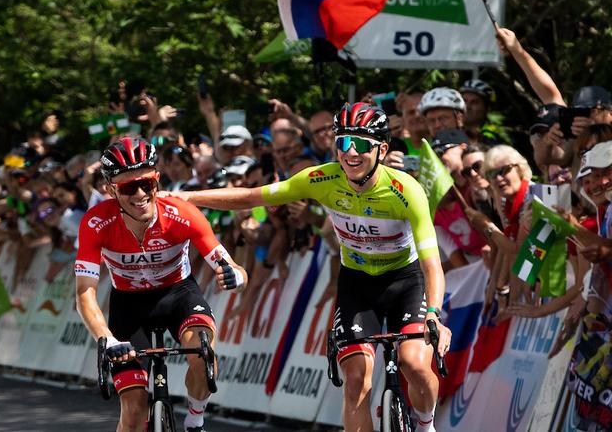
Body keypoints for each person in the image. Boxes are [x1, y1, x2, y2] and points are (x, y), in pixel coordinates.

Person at [163, 103, 452, 432]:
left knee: (414, 363)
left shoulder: (406, 191)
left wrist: (434, 312)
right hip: (357, 285)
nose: (350, 153)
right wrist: (190, 198)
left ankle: (426, 425)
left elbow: (432, 264)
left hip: (405, 283)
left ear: (382, 149)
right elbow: (253, 197)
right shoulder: (323, 179)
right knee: (356, 381)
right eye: (343, 143)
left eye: (361, 145)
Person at [74, 137, 248, 432]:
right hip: (129, 307)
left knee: (203, 354)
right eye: (129, 187)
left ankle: (195, 420)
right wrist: (107, 338)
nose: (141, 194)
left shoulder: (181, 213)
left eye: (148, 184)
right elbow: (84, 292)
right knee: (133, 410)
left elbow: (233, 267)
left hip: (178, 294)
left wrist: (236, 277)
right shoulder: (96, 223)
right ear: (110, 189)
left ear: (157, 180)